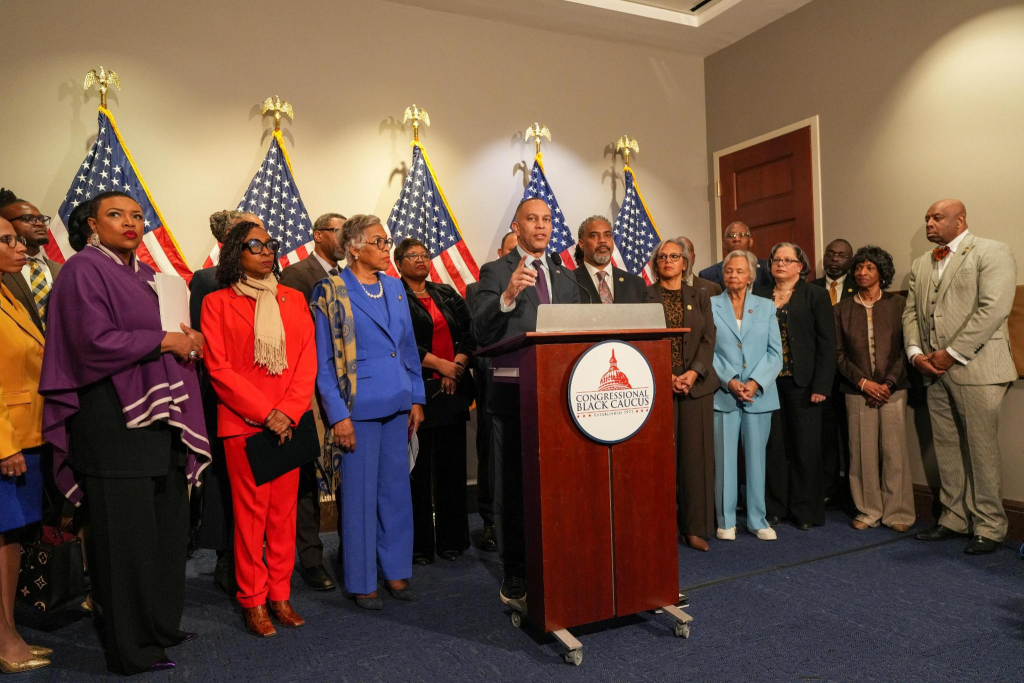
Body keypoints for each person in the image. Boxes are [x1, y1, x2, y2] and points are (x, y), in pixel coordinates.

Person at [40, 191, 210, 675]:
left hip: (164, 422)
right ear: (91, 225)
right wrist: (165, 340)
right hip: (113, 422)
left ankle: (160, 627)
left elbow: (168, 333)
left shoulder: (151, 276)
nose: (131, 223)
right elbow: (90, 342)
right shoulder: (81, 271)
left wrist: (189, 339)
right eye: (116, 215)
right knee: (125, 543)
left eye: (137, 215)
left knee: (165, 532)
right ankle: (129, 649)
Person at [202, 221, 317, 636]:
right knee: (251, 517)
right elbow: (219, 369)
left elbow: (307, 360)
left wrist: (287, 410)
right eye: (255, 245)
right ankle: (252, 600)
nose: (266, 252)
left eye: (271, 245)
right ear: (236, 252)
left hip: (290, 422)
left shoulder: (294, 298)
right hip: (245, 425)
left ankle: (280, 594)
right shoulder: (217, 302)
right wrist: (265, 413)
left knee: (284, 516)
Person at [471, 197, 581, 604]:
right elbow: (480, 330)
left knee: (560, 486)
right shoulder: (496, 272)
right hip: (513, 399)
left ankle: (561, 560)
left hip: (561, 401)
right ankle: (515, 570)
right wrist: (507, 297)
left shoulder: (567, 278)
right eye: (532, 219)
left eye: (547, 219)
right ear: (516, 227)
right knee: (513, 490)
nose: (541, 226)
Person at [312, 214, 425, 610]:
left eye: (386, 240)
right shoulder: (330, 290)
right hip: (357, 410)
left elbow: (408, 348)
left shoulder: (394, 288)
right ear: (354, 247)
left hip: (398, 404)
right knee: (359, 500)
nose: (386, 247)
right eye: (379, 241)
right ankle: (362, 582)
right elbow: (324, 363)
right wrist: (338, 415)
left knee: (396, 495)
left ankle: (396, 571)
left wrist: (416, 397)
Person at [904, 199, 1017, 555]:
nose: (929, 224)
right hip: (932, 370)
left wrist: (951, 354)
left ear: (960, 219)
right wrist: (915, 353)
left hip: (977, 368)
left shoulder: (992, 251)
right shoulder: (921, 264)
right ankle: (953, 517)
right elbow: (910, 312)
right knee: (947, 446)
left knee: (981, 449)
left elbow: (995, 307)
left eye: (936, 217)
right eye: (926, 219)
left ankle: (990, 525)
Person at [189, 210, 262, 596]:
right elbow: (206, 344)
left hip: (269, 401)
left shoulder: (271, 282)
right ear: (228, 240)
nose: (260, 242)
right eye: (248, 235)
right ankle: (225, 557)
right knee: (225, 482)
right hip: (224, 397)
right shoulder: (207, 281)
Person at [395, 237, 475, 564]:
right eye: (412, 255)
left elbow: (470, 333)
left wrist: (454, 367)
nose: (420, 260)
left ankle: (452, 539)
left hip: (453, 391)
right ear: (398, 263)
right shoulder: (393, 296)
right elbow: (398, 343)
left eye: (425, 255)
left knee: (452, 470)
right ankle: (419, 546)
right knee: (417, 472)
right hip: (417, 393)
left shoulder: (445, 293)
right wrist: (439, 365)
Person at [279, 212, 348, 592]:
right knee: (308, 481)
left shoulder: (347, 277)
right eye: (339, 230)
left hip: (346, 393)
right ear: (319, 235)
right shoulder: (296, 275)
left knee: (345, 476)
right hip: (308, 393)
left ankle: (350, 550)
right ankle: (310, 558)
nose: (344, 237)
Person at [0, 216, 50, 674]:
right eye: (7, 239)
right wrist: (4, 446)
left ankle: (8, 629)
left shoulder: (7, 293)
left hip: (27, 433)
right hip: (8, 442)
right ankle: (4, 638)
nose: (19, 245)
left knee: (13, 539)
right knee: (3, 540)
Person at [756, 242, 836, 530]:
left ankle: (806, 511)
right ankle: (775, 508)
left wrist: (822, 385)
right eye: (776, 260)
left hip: (804, 384)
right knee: (774, 448)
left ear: (800, 266)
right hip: (767, 384)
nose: (781, 264)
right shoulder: (760, 296)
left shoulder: (815, 295)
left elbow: (827, 344)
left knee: (805, 448)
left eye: (788, 260)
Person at [835, 246, 914, 532]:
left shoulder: (898, 305)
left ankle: (899, 513)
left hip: (894, 389)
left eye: (869, 267)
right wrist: (864, 383)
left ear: (881, 272)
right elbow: (838, 354)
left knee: (895, 452)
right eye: (858, 267)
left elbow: (907, 349)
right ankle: (868, 511)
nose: (862, 272)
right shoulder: (841, 310)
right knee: (862, 452)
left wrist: (889, 383)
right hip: (857, 391)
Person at [647, 238, 718, 551]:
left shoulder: (700, 295)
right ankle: (659, 527)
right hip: (658, 383)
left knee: (694, 459)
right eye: (662, 256)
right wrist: (667, 374)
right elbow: (643, 340)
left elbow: (708, 338)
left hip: (696, 385)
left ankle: (694, 528)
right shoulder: (644, 296)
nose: (668, 261)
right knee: (659, 460)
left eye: (674, 256)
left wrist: (694, 372)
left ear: (685, 263)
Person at [710, 250, 782, 541]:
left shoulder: (766, 307)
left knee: (756, 460)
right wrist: (729, 380)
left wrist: (754, 382)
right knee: (724, 461)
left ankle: (757, 519)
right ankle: (726, 521)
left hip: (759, 395)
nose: (734, 276)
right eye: (729, 271)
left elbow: (775, 354)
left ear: (751, 276)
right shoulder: (710, 304)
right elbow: (707, 350)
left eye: (740, 271)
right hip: (724, 394)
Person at [464, 230, 519, 553]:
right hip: (493, 382)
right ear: (501, 253)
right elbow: (475, 335)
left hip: (534, 382)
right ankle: (490, 520)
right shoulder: (477, 289)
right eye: (512, 252)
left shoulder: (544, 284)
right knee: (492, 457)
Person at [812, 238, 855, 509]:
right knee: (826, 436)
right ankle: (828, 488)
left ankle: (853, 491)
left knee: (852, 435)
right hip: (822, 374)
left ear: (849, 260)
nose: (834, 259)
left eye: (841, 255)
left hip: (852, 373)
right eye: (830, 254)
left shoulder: (858, 286)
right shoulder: (811, 288)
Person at [0, 189, 61, 334]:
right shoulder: (4, 271)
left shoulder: (62, 269)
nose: (39, 223)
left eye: (41, 219)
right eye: (28, 218)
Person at [572, 215, 649, 303]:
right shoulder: (569, 281)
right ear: (582, 244)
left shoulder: (636, 284)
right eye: (594, 236)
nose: (602, 240)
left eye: (607, 235)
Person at [699, 221, 773, 291]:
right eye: (731, 235)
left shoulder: (768, 269)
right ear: (724, 243)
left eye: (742, 235)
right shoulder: (707, 275)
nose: (736, 239)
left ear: (750, 241)